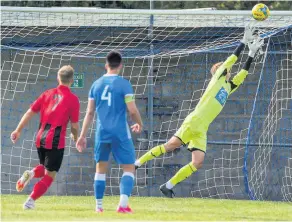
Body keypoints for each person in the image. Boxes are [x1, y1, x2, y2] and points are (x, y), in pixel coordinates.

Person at [135, 26, 264, 198]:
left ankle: (168, 186)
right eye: (223, 68)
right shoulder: (217, 79)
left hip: (202, 129)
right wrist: (243, 42)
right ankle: (137, 163)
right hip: (194, 121)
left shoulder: (227, 87)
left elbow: (242, 75)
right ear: (218, 71)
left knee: (197, 162)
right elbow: (230, 61)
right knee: (170, 147)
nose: (228, 70)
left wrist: (251, 54)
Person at [76, 51, 143, 213]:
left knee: (100, 169)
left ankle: (99, 207)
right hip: (120, 132)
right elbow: (132, 110)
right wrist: (139, 123)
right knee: (129, 168)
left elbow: (90, 113)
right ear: (120, 66)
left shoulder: (96, 85)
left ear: (106, 65)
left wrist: (82, 135)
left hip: (102, 133)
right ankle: (123, 205)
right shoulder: (124, 84)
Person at [11, 65, 80, 209]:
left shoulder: (46, 93)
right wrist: (76, 138)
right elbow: (74, 126)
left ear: (58, 78)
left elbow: (29, 112)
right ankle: (30, 201)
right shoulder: (73, 99)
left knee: (44, 168)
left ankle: (30, 173)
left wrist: (18, 130)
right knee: (51, 175)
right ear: (72, 80)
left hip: (40, 139)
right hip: (55, 142)